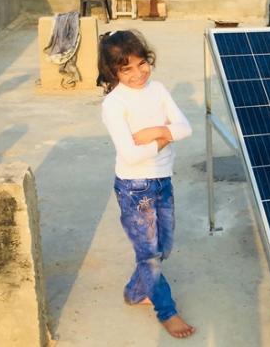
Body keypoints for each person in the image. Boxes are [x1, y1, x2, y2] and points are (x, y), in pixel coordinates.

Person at [97, 30, 195, 339]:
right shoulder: (114, 104)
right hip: (134, 188)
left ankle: (134, 291)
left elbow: (185, 128)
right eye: (126, 69)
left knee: (163, 248)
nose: (138, 74)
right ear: (113, 72)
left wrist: (156, 131)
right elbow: (130, 153)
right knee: (149, 254)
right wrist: (165, 138)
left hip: (163, 181)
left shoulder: (159, 90)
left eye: (142, 64)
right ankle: (167, 311)